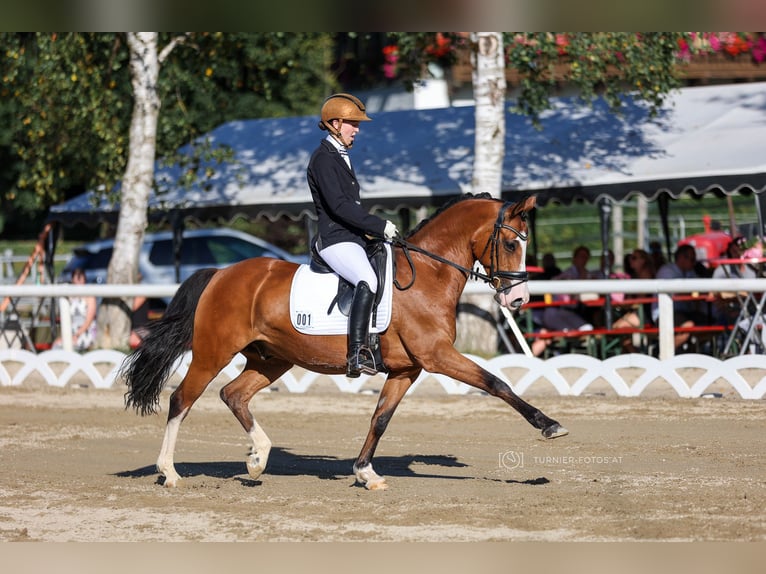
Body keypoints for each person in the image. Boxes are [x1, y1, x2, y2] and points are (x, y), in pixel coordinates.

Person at [307, 93, 400, 378]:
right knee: (367, 279)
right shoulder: (323, 158)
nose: (357, 130)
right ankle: (357, 353)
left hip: (352, 237)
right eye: (352, 124)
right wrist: (378, 225)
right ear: (335, 123)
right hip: (334, 239)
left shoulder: (340, 156)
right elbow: (339, 206)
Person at [653, 244, 708, 349]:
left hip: (683, 313)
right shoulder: (667, 271)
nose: (694, 263)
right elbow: (680, 293)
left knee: (711, 325)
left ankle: (690, 356)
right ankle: (660, 354)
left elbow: (698, 290)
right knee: (689, 326)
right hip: (665, 314)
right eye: (692, 259)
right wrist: (695, 293)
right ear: (681, 258)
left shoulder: (690, 272)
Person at [711, 236, 756, 326]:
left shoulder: (752, 270)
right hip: (726, 312)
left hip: (748, 310)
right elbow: (713, 294)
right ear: (730, 251)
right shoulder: (721, 271)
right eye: (734, 251)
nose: (737, 254)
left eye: (740, 250)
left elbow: (754, 294)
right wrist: (739, 295)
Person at [54, 267, 97, 352]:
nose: (78, 280)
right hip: (71, 331)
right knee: (56, 345)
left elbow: (89, 320)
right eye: (76, 277)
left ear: (84, 279)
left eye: (80, 277)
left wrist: (76, 335)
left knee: (69, 346)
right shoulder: (69, 297)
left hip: (85, 332)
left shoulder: (90, 297)